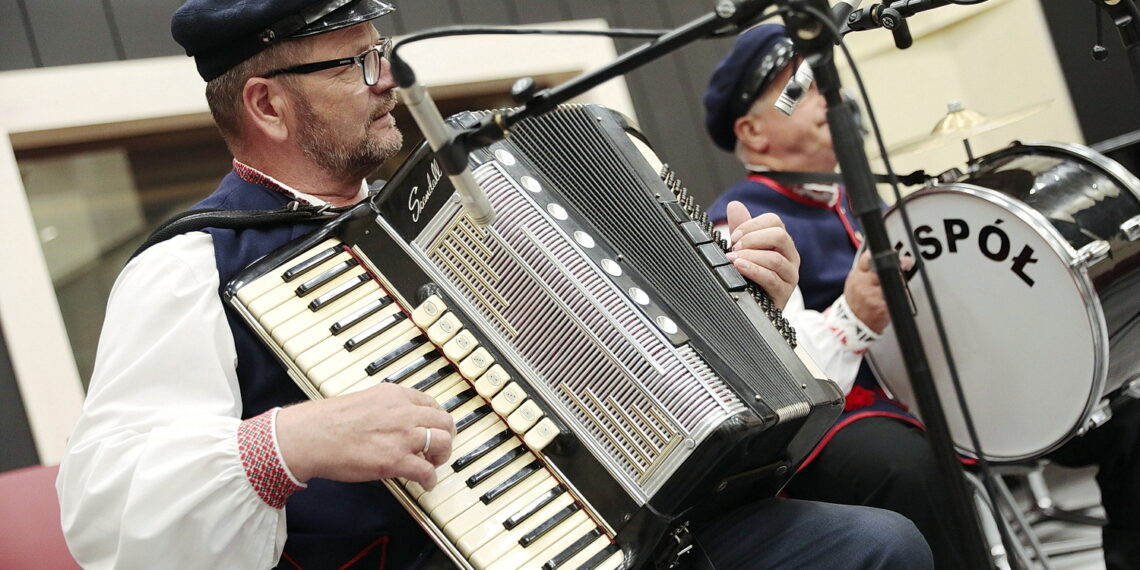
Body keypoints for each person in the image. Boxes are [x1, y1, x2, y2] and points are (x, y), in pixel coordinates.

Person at [55, 3, 934, 569]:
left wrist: (738, 304)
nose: (387, 81)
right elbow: (106, 513)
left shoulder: (474, 200)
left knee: (875, 546)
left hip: (625, 533)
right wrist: (284, 443)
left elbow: (614, 371)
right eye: (350, 65)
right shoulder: (189, 270)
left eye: (382, 53)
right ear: (267, 106)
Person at [703, 22, 1140, 570]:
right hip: (843, 418)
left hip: (934, 393)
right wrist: (852, 317)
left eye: (821, 82)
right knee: (911, 466)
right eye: (799, 88)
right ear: (753, 131)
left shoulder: (849, 196)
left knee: (1129, 419)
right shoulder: (736, 225)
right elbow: (773, 372)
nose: (825, 97)